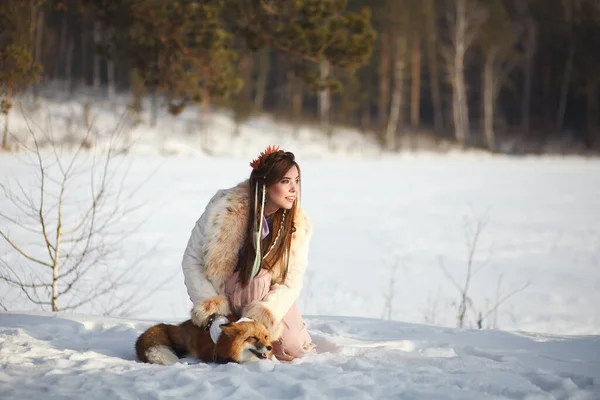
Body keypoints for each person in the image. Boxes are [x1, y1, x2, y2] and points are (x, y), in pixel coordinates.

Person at [181, 145, 316, 361]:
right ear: (265, 184)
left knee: (293, 349)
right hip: (230, 291)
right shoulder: (225, 207)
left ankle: (253, 328)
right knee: (257, 278)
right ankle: (238, 331)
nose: (294, 189)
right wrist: (214, 314)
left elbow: (292, 280)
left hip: (266, 298)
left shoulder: (298, 224)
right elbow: (192, 261)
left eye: (297, 181)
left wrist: (267, 312)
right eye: (285, 181)